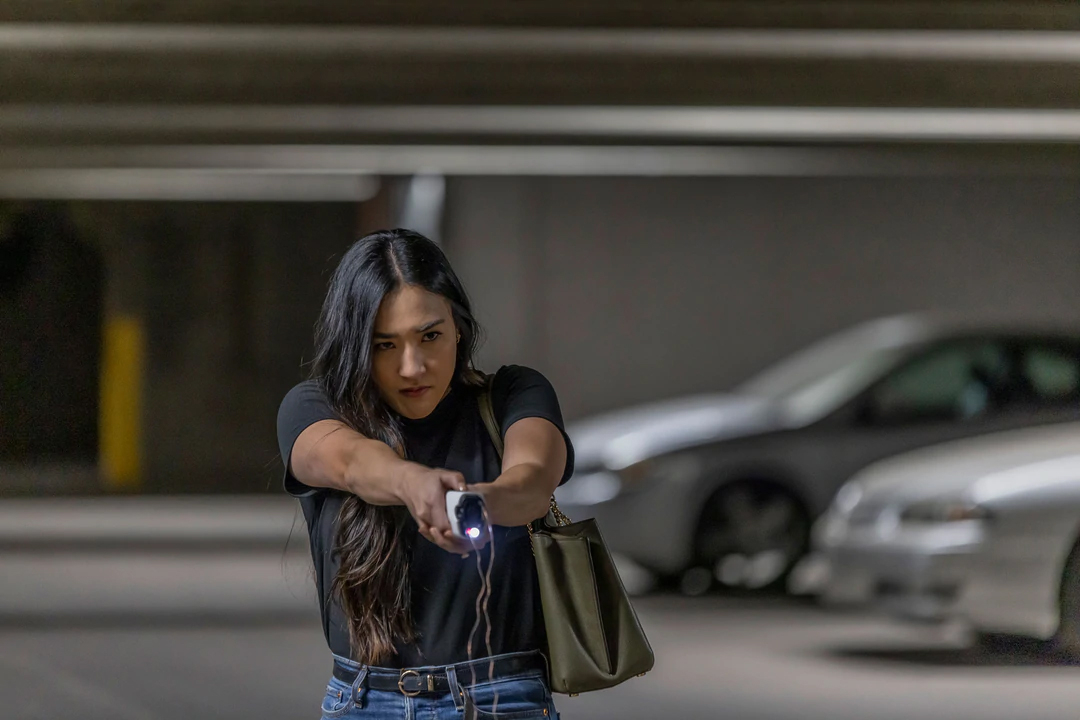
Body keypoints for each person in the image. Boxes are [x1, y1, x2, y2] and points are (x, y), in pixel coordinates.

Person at [276, 229, 574, 719]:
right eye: (384, 345)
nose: (412, 366)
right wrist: (414, 485)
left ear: (458, 327)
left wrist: (471, 503)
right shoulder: (313, 407)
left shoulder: (514, 395)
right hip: (364, 702)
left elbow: (533, 482)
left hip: (500, 698)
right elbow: (352, 462)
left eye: (429, 336)